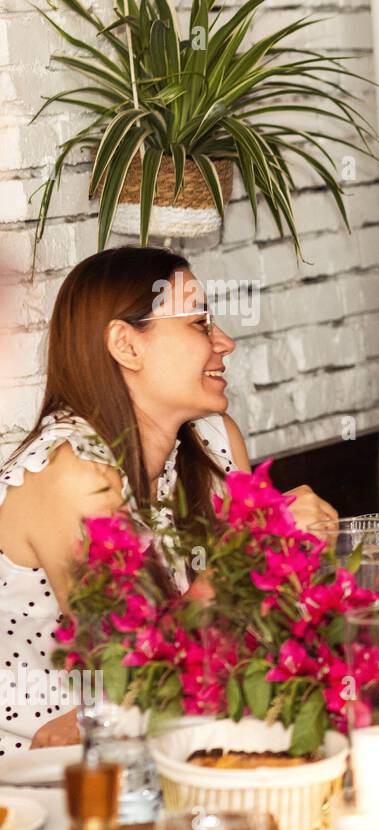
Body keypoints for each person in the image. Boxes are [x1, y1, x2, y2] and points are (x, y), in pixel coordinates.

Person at [0, 248, 336, 755]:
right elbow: (141, 670)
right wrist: (251, 552)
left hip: (168, 743)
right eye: (200, 323)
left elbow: (254, 624)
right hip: (42, 783)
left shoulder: (215, 441)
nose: (225, 342)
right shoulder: (72, 474)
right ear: (125, 345)